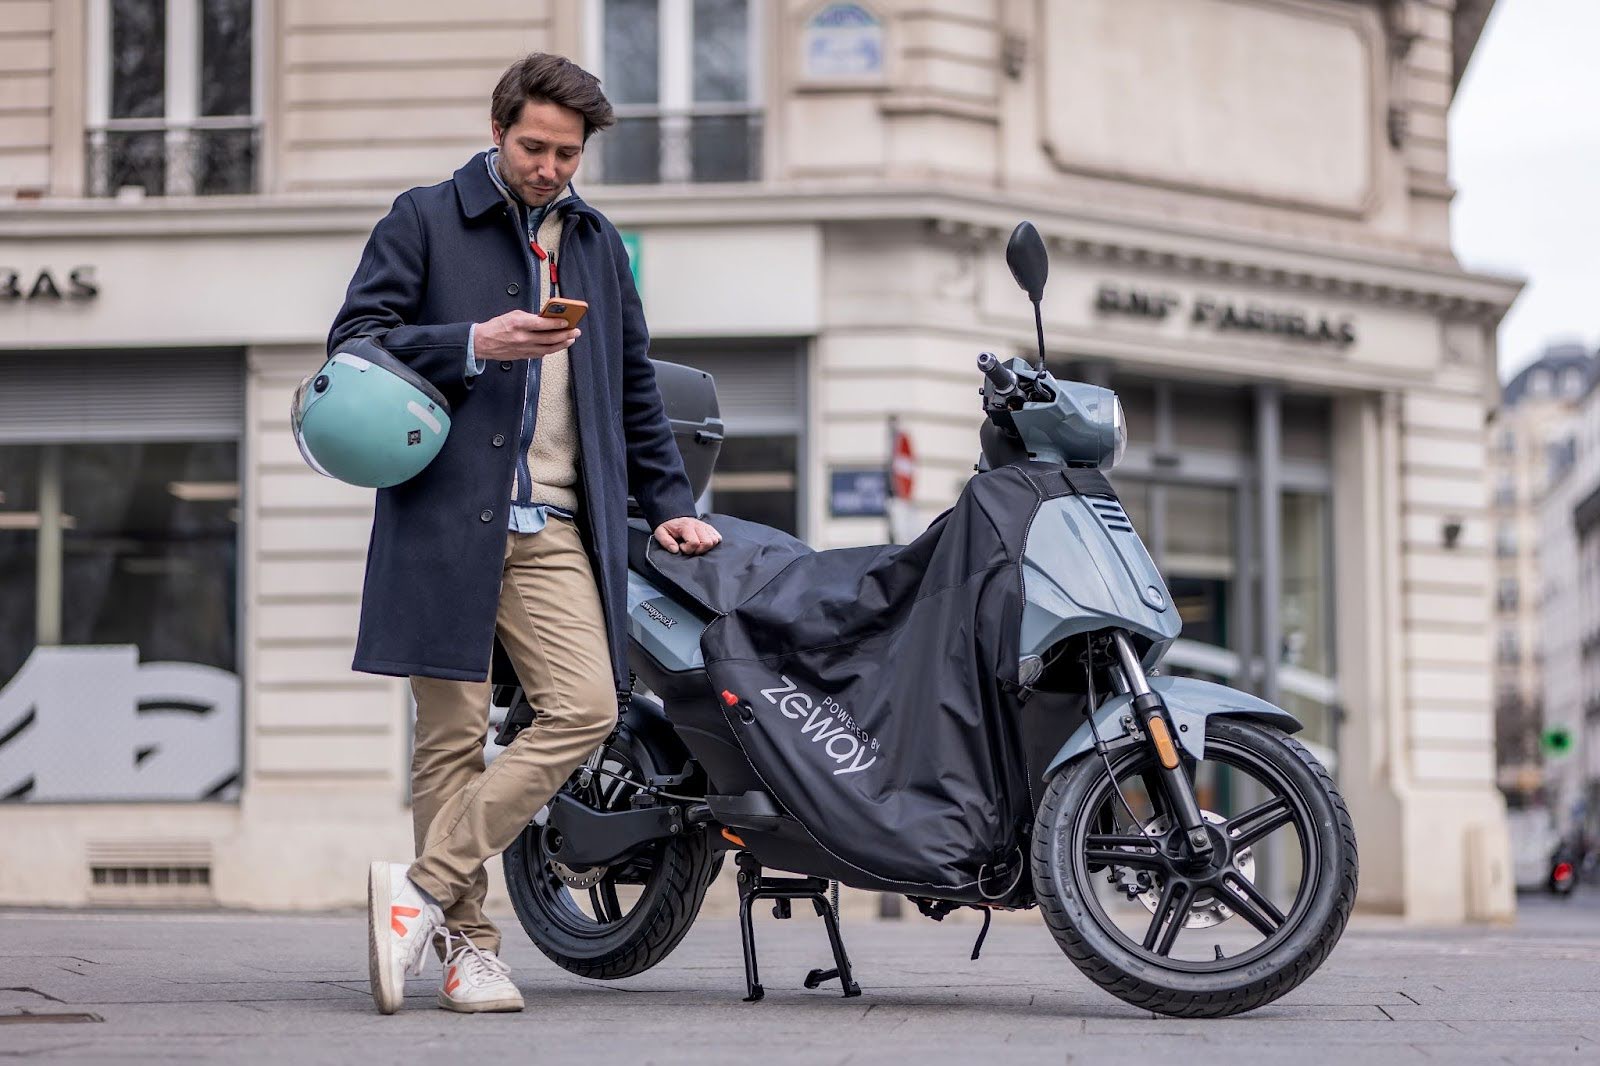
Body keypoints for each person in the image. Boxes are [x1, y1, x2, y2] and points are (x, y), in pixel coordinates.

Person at [326, 52, 721, 1015]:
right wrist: (473, 343)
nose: (549, 168)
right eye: (534, 147)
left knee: (587, 707)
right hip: (443, 518)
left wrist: (671, 502)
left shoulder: (595, 240)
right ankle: (470, 947)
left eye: (568, 154)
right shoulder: (422, 216)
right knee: (451, 739)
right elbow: (356, 343)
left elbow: (633, 386)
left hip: (550, 525)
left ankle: (419, 887)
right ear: (499, 127)